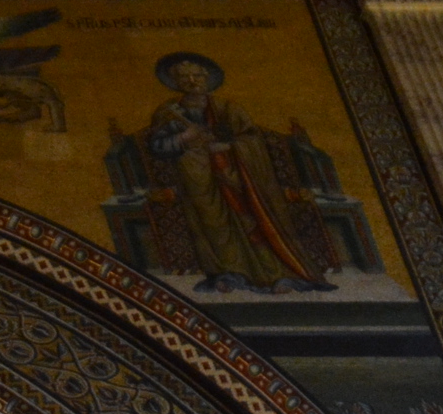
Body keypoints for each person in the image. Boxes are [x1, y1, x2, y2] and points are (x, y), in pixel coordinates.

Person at [136, 53, 333, 295]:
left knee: (253, 218)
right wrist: (183, 138)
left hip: (238, 177)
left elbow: (252, 138)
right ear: (174, 82)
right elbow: (157, 147)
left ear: (207, 78)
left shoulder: (228, 108)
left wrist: (228, 147)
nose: (191, 81)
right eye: (183, 77)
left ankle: (278, 274)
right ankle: (230, 273)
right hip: (197, 179)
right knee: (213, 226)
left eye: (196, 75)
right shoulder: (168, 113)